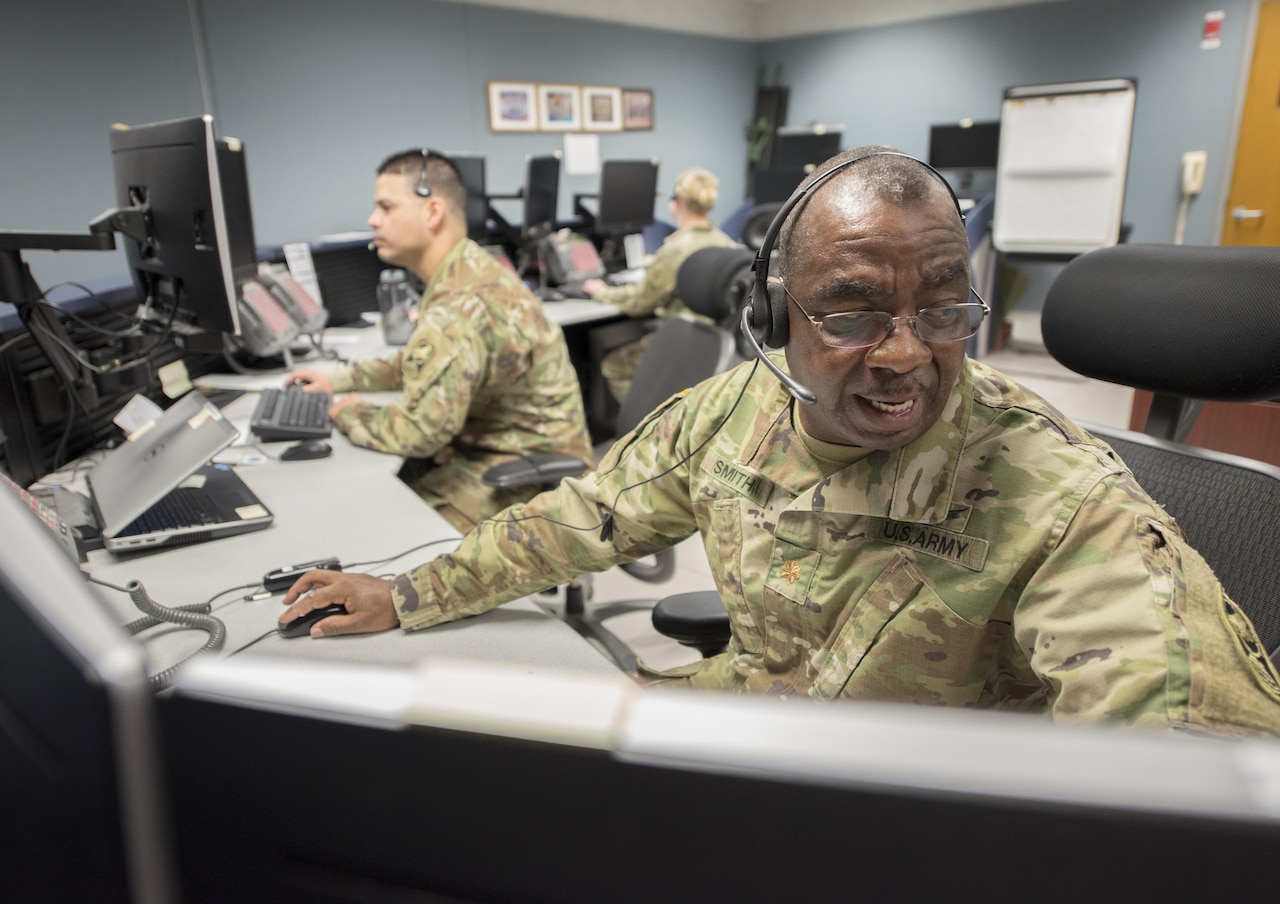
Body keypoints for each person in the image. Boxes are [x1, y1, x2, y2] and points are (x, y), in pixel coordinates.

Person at [281, 147, 1280, 736]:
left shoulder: (1052, 492)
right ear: (770, 318)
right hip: (750, 725)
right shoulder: (732, 415)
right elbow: (584, 514)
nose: (904, 356)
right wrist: (409, 591)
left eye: (942, 311)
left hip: (916, 803)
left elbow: (1184, 761)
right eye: (849, 314)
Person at [286, 150, 593, 532]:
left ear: (432, 212)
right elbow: (419, 362)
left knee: (393, 540)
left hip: (525, 472)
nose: (372, 220)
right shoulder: (471, 271)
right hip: (515, 448)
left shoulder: (458, 307)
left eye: (386, 206)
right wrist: (339, 381)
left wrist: (348, 411)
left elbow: (420, 432)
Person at [581, 167, 738, 402]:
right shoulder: (725, 242)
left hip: (680, 342)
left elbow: (638, 302)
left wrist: (601, 292)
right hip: (712, 345)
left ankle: (647, 430)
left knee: (614, 366)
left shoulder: (675, 250)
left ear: (678, 202)